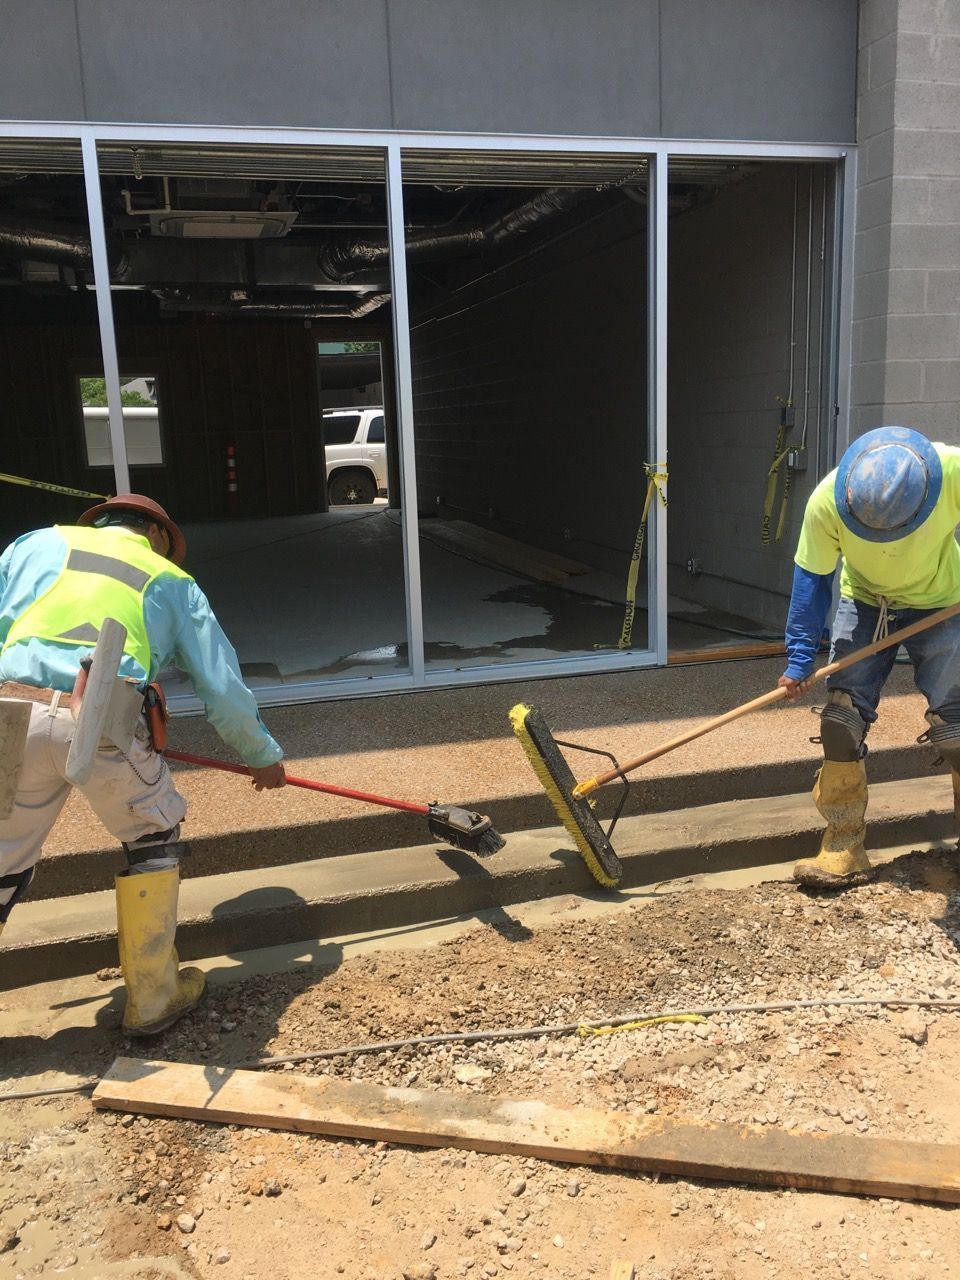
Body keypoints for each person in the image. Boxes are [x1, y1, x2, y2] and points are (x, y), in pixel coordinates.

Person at [0, 494, 286, 1033]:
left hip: (11, 708)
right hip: (101, 716)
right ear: (157, 535)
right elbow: (221, 687)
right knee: (153, 834)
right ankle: (154, 998)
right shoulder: (171, 580)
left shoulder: (35, 544)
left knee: (2, 860)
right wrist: (261, 756)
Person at [779, 425, 960, 889]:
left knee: (956, 727)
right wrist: (799, 659)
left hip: (942, 602)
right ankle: (843, 845)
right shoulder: (827, 501)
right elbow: (811, 580)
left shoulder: (950, 469)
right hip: (864, 602)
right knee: (840, 721)